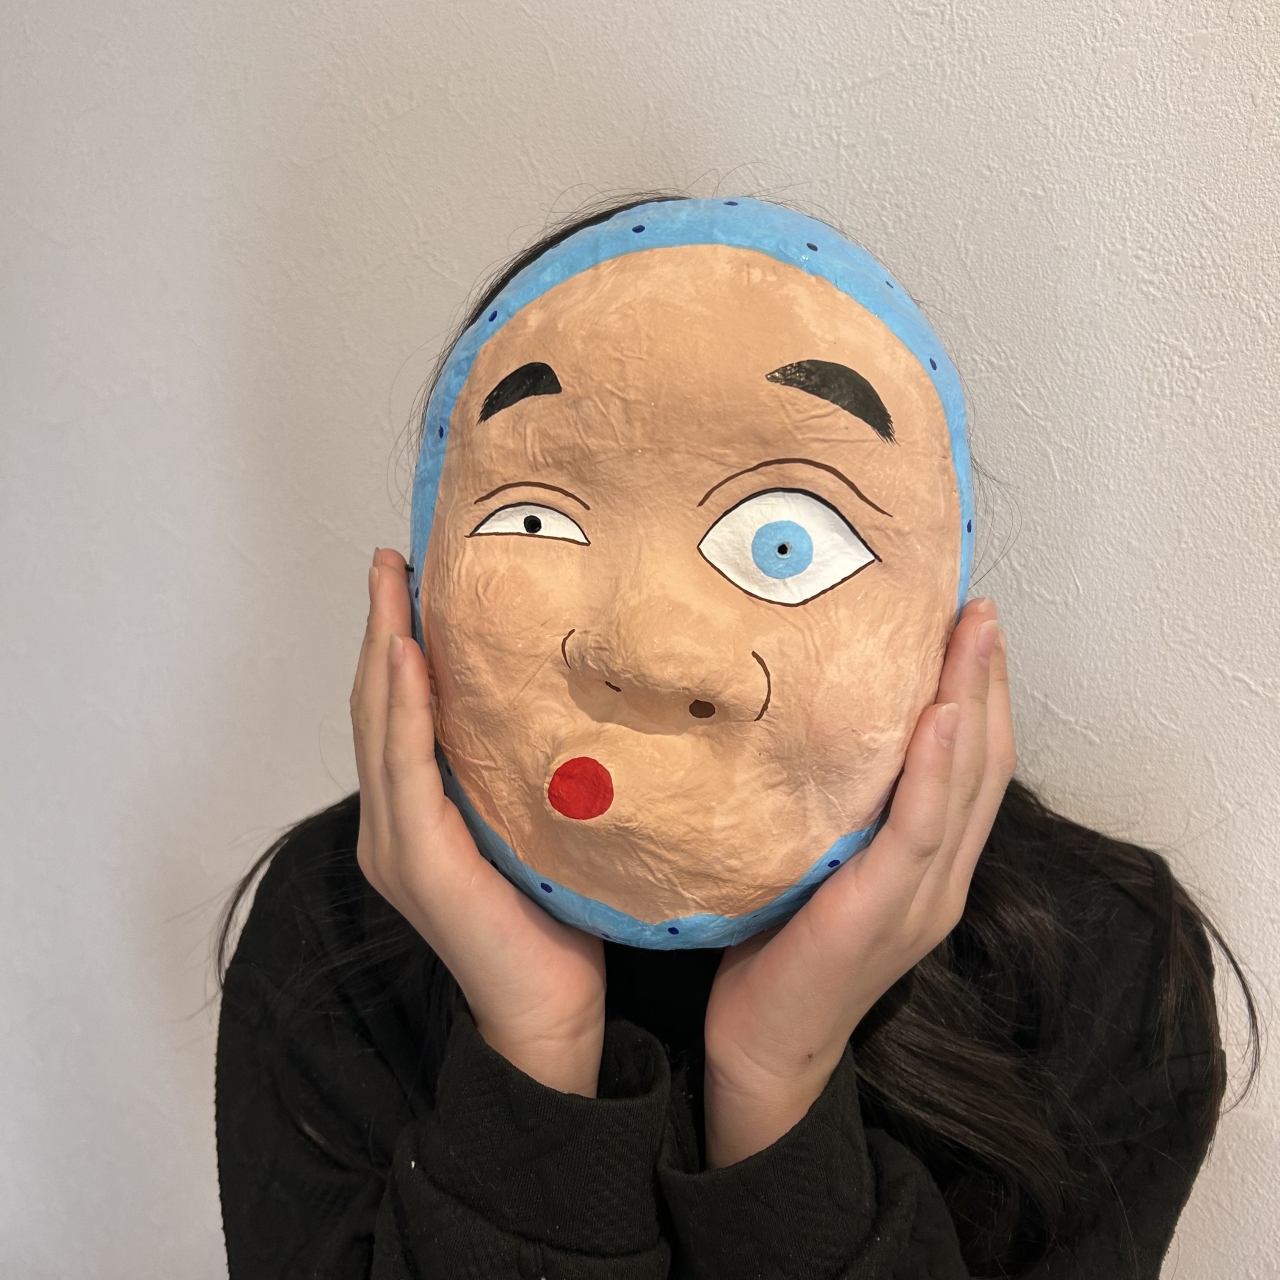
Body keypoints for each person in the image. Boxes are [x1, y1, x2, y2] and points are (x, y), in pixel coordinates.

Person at [215, 197, 1257, 1280]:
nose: (642, 649)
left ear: (943, 616)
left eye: (784, 539)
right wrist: (533, 1046)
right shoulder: (332, 933)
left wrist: (774, 1082)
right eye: (536, 519)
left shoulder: (1102, 966)